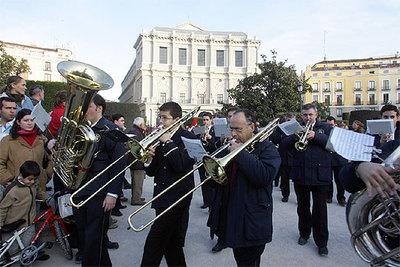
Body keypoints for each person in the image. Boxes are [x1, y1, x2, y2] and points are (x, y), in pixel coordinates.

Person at [207, 109, 281, 266]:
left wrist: (239, 153)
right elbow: (218, 183)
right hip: (231, 216)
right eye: (231, 129)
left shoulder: (267, 149)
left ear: (252, 127)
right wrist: (213, 168)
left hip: (252, 222)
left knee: (248, 261)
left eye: (238, 129)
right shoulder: (230, 146)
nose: (233, 134)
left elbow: (264, 177)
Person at [72, 94, 126, 266]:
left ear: (99, 108)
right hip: (80, 189)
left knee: (93, 238)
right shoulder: (81, 128)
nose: (83, 111)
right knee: (85, 235)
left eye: (87, 107)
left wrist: (112, 193)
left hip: (99, 192)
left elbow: (119, 163)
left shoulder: (111, 130)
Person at [140, 101, 196, 267]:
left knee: (153, 244)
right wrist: (149, 159)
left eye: (165, 118)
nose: (161, 122)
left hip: (178, 198)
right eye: (160, 117)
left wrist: (168, 143)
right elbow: (152, 172)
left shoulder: (189, 138)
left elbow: (180, 165)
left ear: (177, 120)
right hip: (161, 196)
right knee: (172, 244)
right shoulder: (160, 138)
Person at [281, 103, 332, 257]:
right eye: (305, 115)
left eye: (310, 114)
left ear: (316, 114)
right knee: (302, 208)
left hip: (320, 175)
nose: (308, 118)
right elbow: (283, 146)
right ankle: (304, 234)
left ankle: (322, 243)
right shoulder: (295, 127)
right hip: (300, 174)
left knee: (320, 210)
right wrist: (295, 136)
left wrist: (316, 136)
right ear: (301, 115)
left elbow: (333, 144)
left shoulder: (326, 127)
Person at [0, 161, 51, 261]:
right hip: (13, 224)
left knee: (27, 245)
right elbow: (3, 207)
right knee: (12, 249)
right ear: (21, 175)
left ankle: (24, 260)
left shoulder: (33, 185)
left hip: (28, 223)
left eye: (35, 179)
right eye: (29, 179)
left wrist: (47, 198)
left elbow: (38, 192)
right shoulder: (13, 190)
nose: (32, 182)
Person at [211, 106, 240, 253]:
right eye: (229, 116)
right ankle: (221, 239)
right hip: (224, 178)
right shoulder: (223, 131)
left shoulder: (244, 134)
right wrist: (222, 141)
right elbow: (212, 146)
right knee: (222, 210)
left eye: (234, 116)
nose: (231, 118)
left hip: (239, 179)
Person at [0, 109, 51, 192]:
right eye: (26, 120)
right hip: (16, 188)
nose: (29, 123)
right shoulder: (8, 140)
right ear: (18, 122)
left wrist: (46, 175)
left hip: (38, 187)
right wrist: (8, 179)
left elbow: (50, 160)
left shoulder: (42, 139)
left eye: (32, 120)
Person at [270, 112, 296, 202]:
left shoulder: (298, 128)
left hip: (295, 157)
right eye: (288, 121)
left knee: (296, 180)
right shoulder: (280, 129)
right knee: (284, 179)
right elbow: (275, 139)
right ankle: (285, 195)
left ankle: (299, 198)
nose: (291, 123)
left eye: (293, 121)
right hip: (284, 156)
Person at [326, 116, 347, 206]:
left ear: (335, 124)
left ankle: (341, 198)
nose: (330, 126)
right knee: (328, 180)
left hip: (339, 160)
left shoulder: (341, 133)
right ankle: (329, 196)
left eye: (331, 125)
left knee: (340, 181)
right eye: (328, 125)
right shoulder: (324, 132)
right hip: (328, 159)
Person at [198, 111, 215, 209]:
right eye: (204, 120)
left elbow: (217, 143)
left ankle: (212, 203)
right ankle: (206, 201)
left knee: (211, 181)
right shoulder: (200, 129)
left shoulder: (214, 130)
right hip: (202, 157)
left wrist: (210, 137)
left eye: (207, 120)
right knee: (203, 180)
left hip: (211, 156)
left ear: (211, 120)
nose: (205, 122)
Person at [127, 117, 146, 205]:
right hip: (137, 162)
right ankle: (136, 199)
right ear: (141, 125)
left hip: (136, 161)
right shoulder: (135, 132)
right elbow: (136, 147)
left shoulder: (134, 131)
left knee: (137, 181)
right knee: (138, 181)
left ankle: (137, 196)